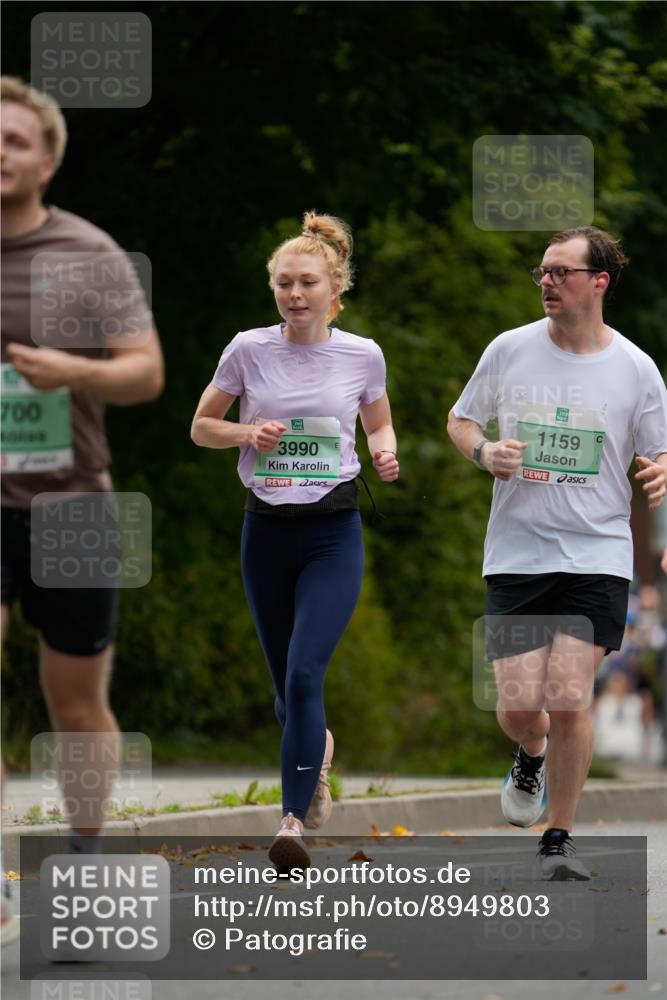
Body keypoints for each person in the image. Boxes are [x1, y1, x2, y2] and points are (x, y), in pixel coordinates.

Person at [447, 226, 667, 880]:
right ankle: (531, 749)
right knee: (519, 708)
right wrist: (484, 451)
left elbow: (659, 451)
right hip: (517, 553)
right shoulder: (509, 349)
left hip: (597, 553)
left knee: (570, 697)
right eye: (542, 271)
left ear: (598, 281)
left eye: (560, 272)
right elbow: (461, 420)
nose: (546, 281)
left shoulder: (635, 368)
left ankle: (558, 838)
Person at [1, 76, 163, 938]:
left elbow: (146, 372)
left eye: (14, 140)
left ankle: (85, 862)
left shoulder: (89, 253)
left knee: (74, 699)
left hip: (71, 506)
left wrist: (73, 372)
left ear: (48, 161)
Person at [191, 211, 399, 873]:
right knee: (287, 689)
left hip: (332, 532)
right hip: (266, 531)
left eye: (307, 282)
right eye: (284, 283)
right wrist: (245, 434)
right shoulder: (247, 350)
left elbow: (378, 423)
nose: (294, 293)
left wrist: (385, 452)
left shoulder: (362, 354)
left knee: (306, 673)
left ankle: (290, 822)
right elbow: (201, 426)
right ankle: (319, 752)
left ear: (334, 288)